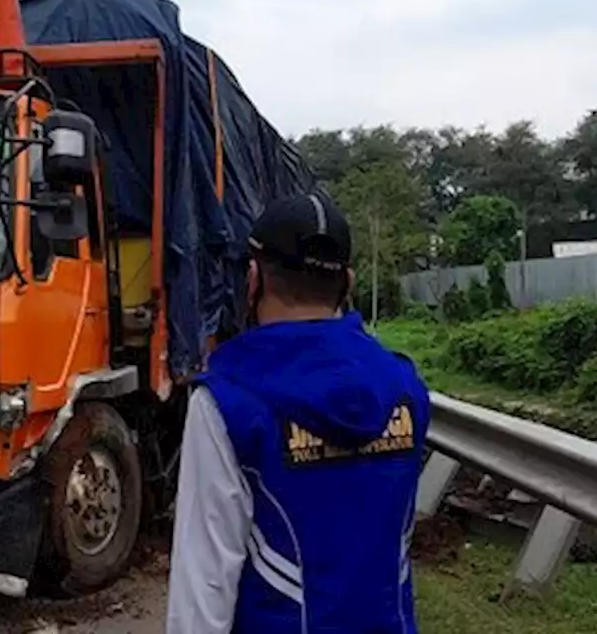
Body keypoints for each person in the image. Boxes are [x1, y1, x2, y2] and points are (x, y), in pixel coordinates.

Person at [166, 192, 430, 633]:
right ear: (347, 282)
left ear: (252, 279)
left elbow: (204, 580)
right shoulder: (406, 388)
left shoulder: (225, 399)